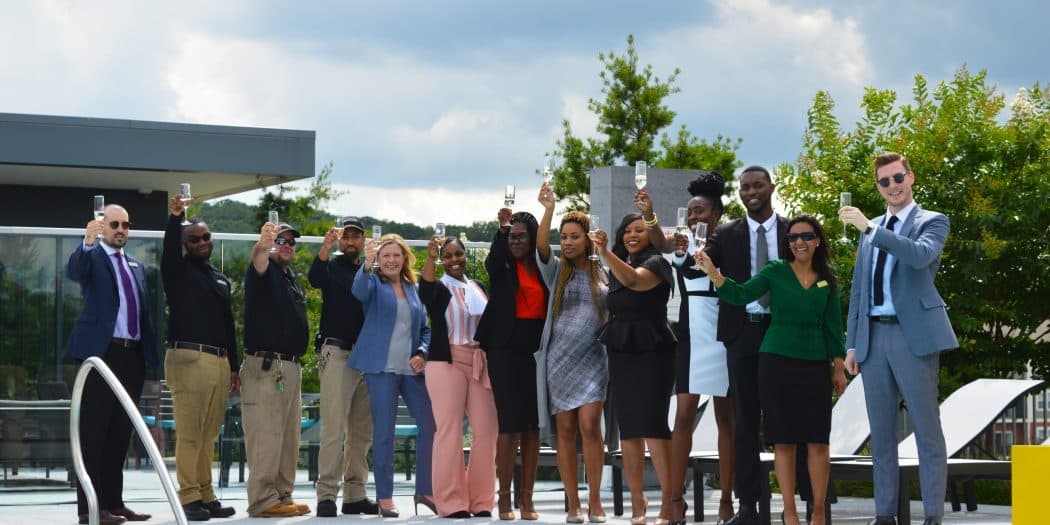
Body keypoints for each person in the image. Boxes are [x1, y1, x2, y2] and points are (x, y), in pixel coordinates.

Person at [698, 215, 848, 525]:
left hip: (815, 364)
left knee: (818, 440)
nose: (799, 242)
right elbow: (739, 295)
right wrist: (714, 273)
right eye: (793, 238)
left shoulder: (826, 279)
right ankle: (790, 511)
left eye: (806, 236)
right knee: (785, 441)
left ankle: (818, 512)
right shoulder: (776, 271)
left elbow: (834, 327)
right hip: (776, 361)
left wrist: (838, 367)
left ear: (817, 240)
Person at [838, 152, 958, 525]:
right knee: (882, 435)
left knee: (926, 430)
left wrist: (871, 230)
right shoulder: (870, 227)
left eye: (898, 177)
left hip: (913, 336)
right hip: (872, 337)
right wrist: (853, 343)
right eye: (885, 181)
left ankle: (932, 516)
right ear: (878, 186)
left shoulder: (932, 221)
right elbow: (860, 288)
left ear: (911, 177)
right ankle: (885, 515)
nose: (893, 186)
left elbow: (919, 256)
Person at [703, 166, 811, 525]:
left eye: (757, 185)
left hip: (784, 333)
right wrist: (686, 251)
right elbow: (698, 266)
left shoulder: (792, 232)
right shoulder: (724, 234)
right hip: (743, 334)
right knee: (745, 422)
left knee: (792, 417)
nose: (750, 191)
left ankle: (806, 501)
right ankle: (748, 506)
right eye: (744, 187)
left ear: (771, 188)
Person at [652, 172, 737, 524]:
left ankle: (726, 501)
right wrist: (649, 215)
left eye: (699, 211)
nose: (692, 217)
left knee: (725, 419)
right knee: (683, 415)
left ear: (715, 213)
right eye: (689, 212)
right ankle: (674, 501)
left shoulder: (730, 241)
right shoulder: (682, 243)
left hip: (723, 333)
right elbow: (659, 241)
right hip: (691, 335)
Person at [67, 204, 157, 525]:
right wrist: (87, 242)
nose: (121, 229)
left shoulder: (136, 265)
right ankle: (89, 508)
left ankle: (114, 503)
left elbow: (145, 316)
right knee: (94, 432)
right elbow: (74, 272)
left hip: (131, 356)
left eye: (126, 225)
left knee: (120, 433)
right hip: (100, 356)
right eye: (114, 224)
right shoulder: (92, 257)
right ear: (103, 227)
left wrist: (149, 359)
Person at [590, 213, 677, 525]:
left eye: (639, 230)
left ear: (651, 235)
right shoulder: (616, 266)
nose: (632, 235)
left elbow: (634, 280)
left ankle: (669, 502)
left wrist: (603, 251)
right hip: (622, 348)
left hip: (654, 350)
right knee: (628, 428)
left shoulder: (657, 263)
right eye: (627, 230)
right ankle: (638, 500)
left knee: (652, 424)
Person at [161, 195, 238, 521]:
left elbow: (228, 324)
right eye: (193, 239)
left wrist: (234, 366)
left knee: (209, 435)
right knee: (190, 433)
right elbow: (168, 252)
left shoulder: (218, 277)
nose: (201, 242)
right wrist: (175, 218)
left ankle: (206, 494)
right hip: (189, 358)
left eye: (205, 237)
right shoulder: (177, 272)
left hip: (219, 363)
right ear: (184, 244)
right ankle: (188, 497)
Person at [536, 184, 609, 523]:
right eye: (563, 236)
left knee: (590, 424)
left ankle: (595, 500)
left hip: (594, 359)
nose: (566, 242)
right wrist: (548, 209)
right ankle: (574, 504)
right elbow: (541, 248)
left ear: (587, 239)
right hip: (559, 359)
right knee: (565, 430)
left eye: (574, 236)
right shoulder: (555, 272)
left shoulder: (602, 270)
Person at [349, 233, 436, 518]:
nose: (391, 260)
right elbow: (358, 292)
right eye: (385, 255)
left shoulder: (414, 287)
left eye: (396, 255)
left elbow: (424, 327)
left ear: (404, 258)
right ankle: (384, 497)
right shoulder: (372, 282)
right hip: (381, 369)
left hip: (411, 371)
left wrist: (422, 352)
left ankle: (424, 490)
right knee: (384, 434)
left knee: (431, 426)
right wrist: (367, 261)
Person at [475, 209, 546, 521]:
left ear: (532, 240)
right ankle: (503, 499)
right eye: (512, 236)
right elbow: (492, 259)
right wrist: (501, 230)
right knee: (510, 424)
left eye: (521, 236)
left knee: (532, 425)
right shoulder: (501, 267)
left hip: (536, 351)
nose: (516, 241)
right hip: (504, 350)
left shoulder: (544, 269)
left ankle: (527, 499)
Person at [420, 234, 498, 518]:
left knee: (488, 430)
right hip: (446, 361)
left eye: (459, 254)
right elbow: (425, 290)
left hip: (478, 360)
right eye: (448, 256)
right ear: (442, 260)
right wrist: (429, 257)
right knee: (450, 432)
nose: (454, 260)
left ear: (466, 255)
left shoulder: (478, 287)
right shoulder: (439, 287)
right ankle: (451, 502)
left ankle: (481, 501)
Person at [309, 216, 378, 517]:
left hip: (368, 358)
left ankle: (355, 494)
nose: (350, 242)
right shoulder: (332, 266)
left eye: (356, 237)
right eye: (346, 237)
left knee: (362, 433)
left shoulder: (370, 269)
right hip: (338, 353)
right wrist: (325, 247)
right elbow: (313, 277)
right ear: (340, 240)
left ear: (363, 241)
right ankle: (326, 495)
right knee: (334, 430)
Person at [241, 221, 311, 518]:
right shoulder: (262, 271)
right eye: (280, 240)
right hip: (265, 365)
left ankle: (282, 495)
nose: (285, 245)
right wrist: (262, 243)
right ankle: (262, 500)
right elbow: (258, 258)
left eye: (290, 242)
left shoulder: (288, 277)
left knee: (288, 437)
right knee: (266, 435)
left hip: (290, 366)